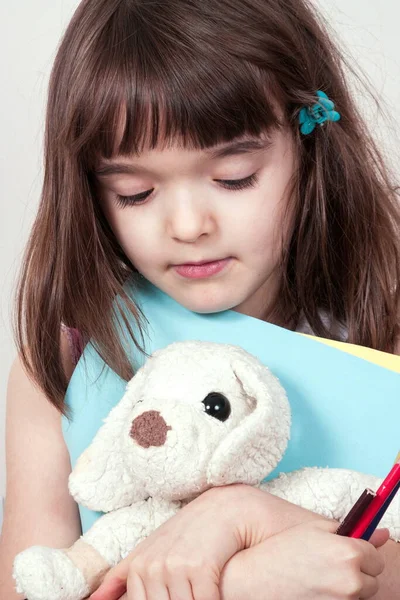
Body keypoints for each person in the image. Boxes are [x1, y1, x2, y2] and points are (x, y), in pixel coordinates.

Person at [1, 0, 399, 598]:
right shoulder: (69, 355)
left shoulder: (385, 323)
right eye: (135, 192)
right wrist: (240, 579)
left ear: (308, 142)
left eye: (234, 177)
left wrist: (248, 516)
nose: (187, 225)